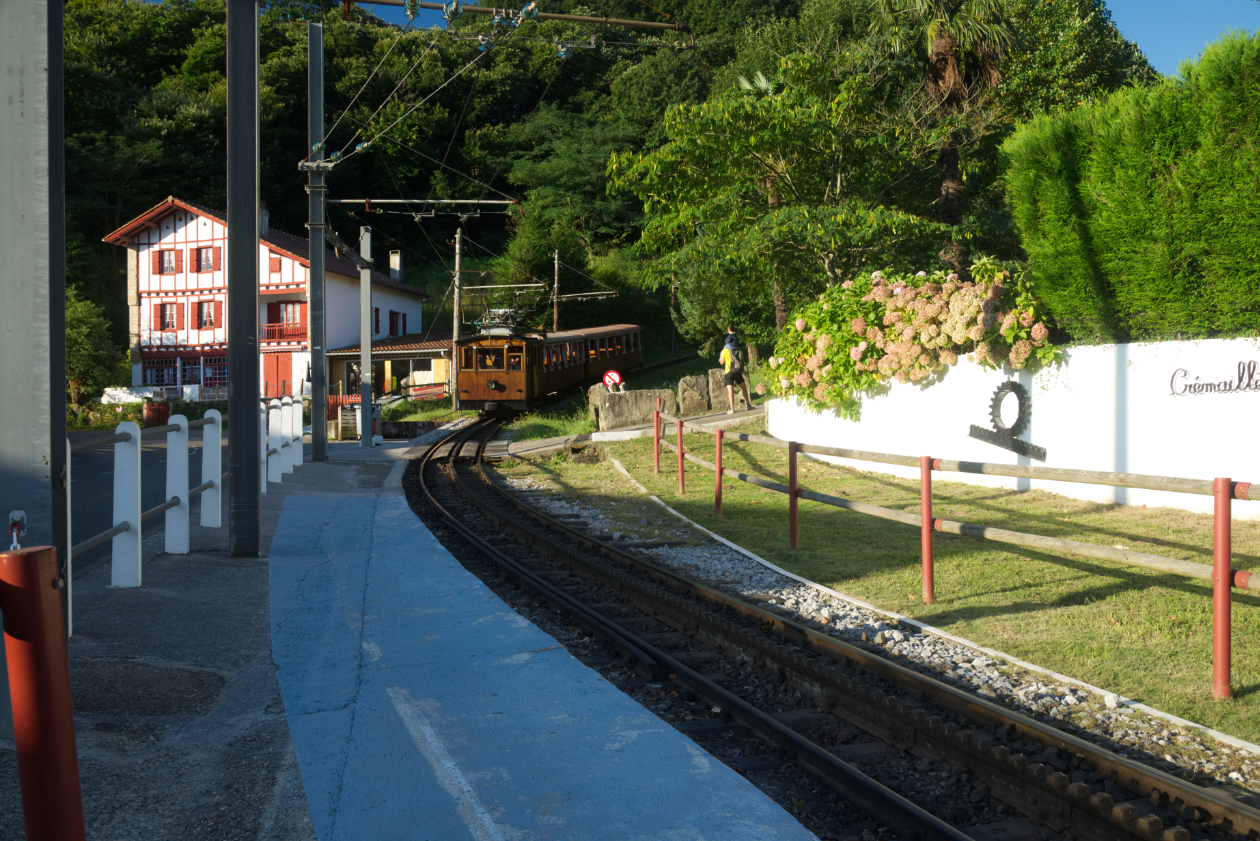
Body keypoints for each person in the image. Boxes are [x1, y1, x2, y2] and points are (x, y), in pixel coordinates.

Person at [718, 326, 753, 414]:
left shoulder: (725, 351)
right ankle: (747, 404)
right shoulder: (739, 351)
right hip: (737, 371)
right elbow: (742, 360)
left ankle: (732, 408)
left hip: (728, 372)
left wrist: (720, 357)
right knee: (744, 387)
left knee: (730, 391)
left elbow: (722, 362)